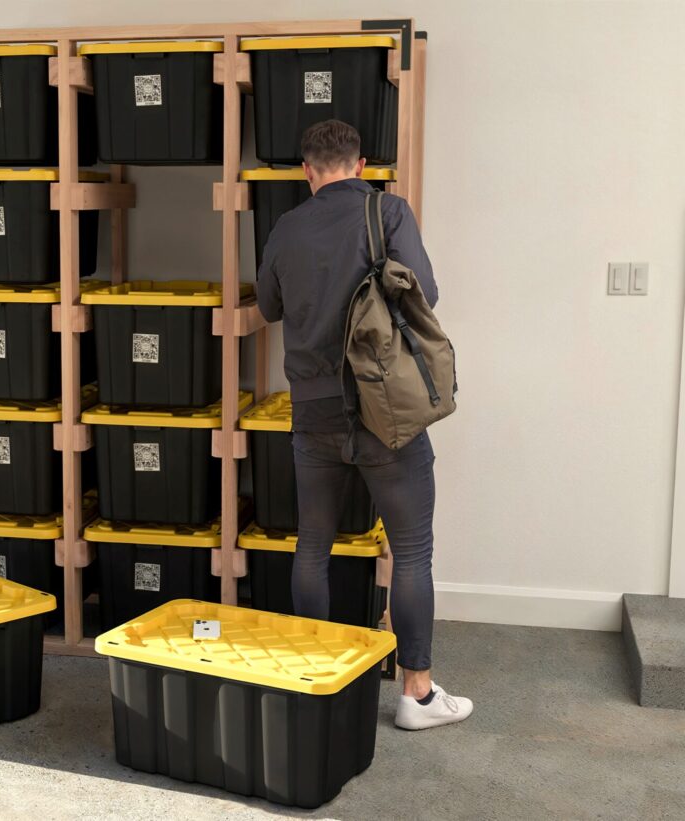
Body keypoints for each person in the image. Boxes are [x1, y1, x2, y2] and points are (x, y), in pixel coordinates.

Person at [256, 119, 473, 731]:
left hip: (314, 412)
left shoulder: (288, 226)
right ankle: (417, 694)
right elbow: (424, 290)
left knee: (313, 547)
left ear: (308, 170)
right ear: (361, 163)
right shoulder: (389, 212)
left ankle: (317, 681)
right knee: (411, 553)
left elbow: (269, 306)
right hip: (387, 414)